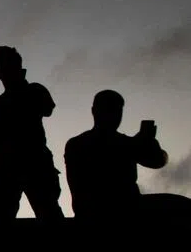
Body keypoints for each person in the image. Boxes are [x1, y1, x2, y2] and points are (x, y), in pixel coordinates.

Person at [0, 46, 64, 219]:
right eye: (0, 68)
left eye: (4, 67)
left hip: (32, 166)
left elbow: (47, 108)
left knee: (49, 214)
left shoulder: (32, 91)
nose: (1, 73)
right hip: (11, 169)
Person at [64, 90, 169, 219]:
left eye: (118, 111)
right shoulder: (124, 143)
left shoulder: (77, 143)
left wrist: (149, 144)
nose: (114, 115)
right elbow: (157, 161)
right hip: (114, 212)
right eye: (110, 110)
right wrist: (145, 144)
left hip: (97, 212)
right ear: (95, 111)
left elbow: (157, 161)